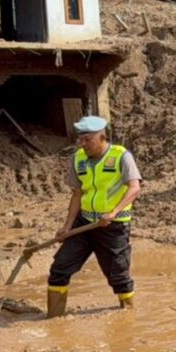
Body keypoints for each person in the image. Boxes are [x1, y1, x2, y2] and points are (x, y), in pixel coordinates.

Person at [46, 115, 143, 318]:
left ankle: (128, 316)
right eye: (81, 139)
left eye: (88, 140)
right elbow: (77, 194)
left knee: (118, 277)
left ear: (102, 138)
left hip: (112, 226)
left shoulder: (121, 156)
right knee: (59, 269)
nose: (83, 144)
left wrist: (113, 212)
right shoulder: (78, 159)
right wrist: (67, 227)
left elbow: (134, 188)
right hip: (84, 224)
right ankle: (52, 319)